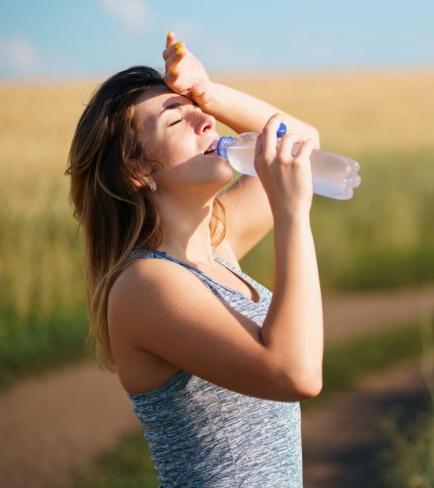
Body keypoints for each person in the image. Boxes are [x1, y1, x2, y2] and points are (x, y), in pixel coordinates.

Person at [66, 32, 323, 486]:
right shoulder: (146, 284)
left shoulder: (218, 243)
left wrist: (207, 92)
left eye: (199, 113)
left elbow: (302, 142)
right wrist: (291, 214)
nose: (207, 123)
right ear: (136, 170)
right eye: (175, 120)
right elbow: (295, 373)